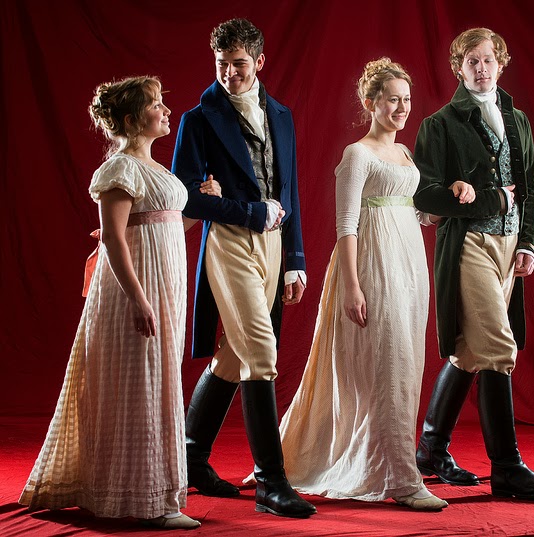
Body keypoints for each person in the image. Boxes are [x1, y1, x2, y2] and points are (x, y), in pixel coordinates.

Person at [18, 76, 206, 529]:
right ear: (132, 119)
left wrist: (199, 206)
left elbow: (161, 226)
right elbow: (115, 240)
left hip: (164, 285)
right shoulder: (121, 168)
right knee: (140, 384)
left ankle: (154, 494)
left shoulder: (155, 168)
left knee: (159, 379)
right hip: (134, 289)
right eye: (156, 104)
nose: (166, 110)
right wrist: (138, 298)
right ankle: (145, 500)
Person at [271, 58, 447, 511]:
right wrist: (351, 285)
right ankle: (402, 478)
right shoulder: (358, 154)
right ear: (370, 103)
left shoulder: (405, 154)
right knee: (386, 365)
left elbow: (415, 211)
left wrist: (451, 197)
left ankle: (392, 462)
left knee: (406, 363)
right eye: (392, 100)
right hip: (372, 265)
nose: (402, 108)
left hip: (410, 267)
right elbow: (346, 224)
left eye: (406, 100)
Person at [171, 18, 315, 518]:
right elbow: (186, 198)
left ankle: (190, 457)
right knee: (260, 350)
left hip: (274, 245)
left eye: (238, 64)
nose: (229, 74)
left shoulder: (282, 115)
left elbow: (289, 192)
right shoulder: (197, 118)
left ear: (259, 61)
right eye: (221, 65)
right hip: (230, 241)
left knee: (235, 356)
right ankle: (271, 483)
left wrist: (295, 260)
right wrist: (249, 212)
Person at [412, 27, 534, 499]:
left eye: (488, 60)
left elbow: (531, 188)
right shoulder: (439, 124)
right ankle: (507, 467)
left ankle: (430, 449)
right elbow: (425, 195)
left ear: (500, 63)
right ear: (458, 68)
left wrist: (528, 242)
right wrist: (489, 199)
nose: (481, 69)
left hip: (509, 245)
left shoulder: (517, 120)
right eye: (471, 62)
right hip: (469, 243)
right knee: (498, 346)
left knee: (471, 352)